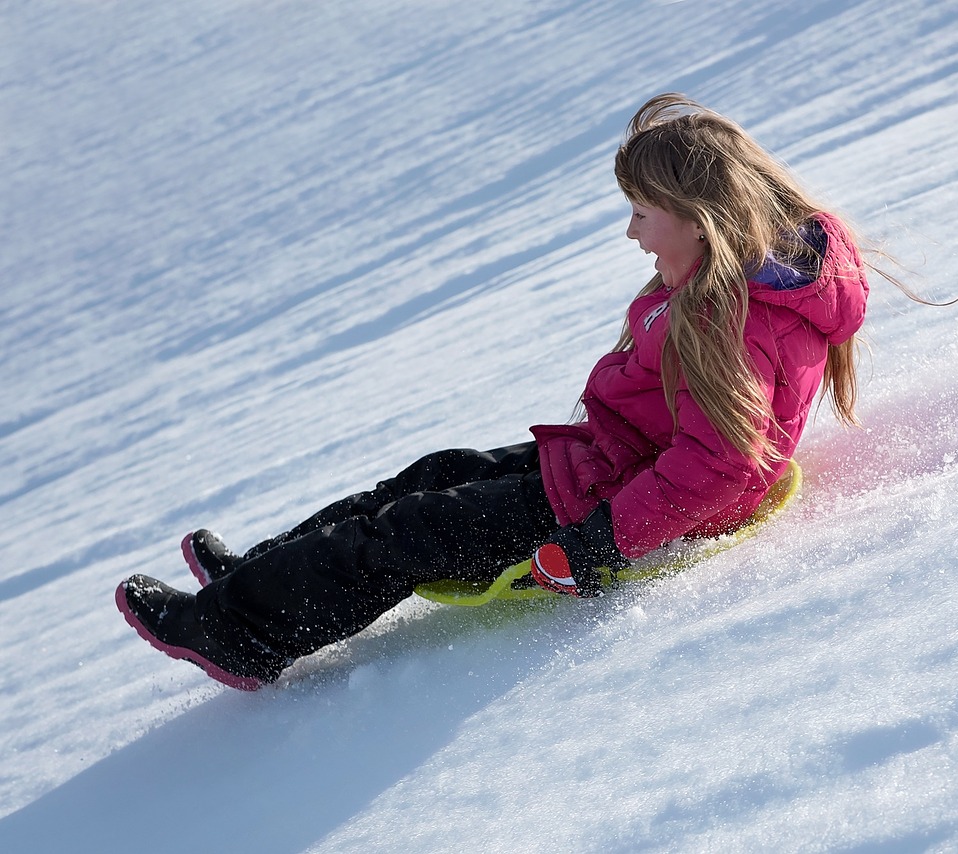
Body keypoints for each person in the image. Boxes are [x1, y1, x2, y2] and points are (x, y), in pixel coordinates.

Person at [115, 93, 871, 691]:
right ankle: (257, 573)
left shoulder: (730, 320)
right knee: (433, 474)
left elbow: (716, 468)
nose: (632, 234)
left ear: (704, 223)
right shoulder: (738, 285)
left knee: (405, 533)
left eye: (643, 214)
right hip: (614, 464)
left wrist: (601, 545)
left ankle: (236, 633)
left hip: (612, 506)